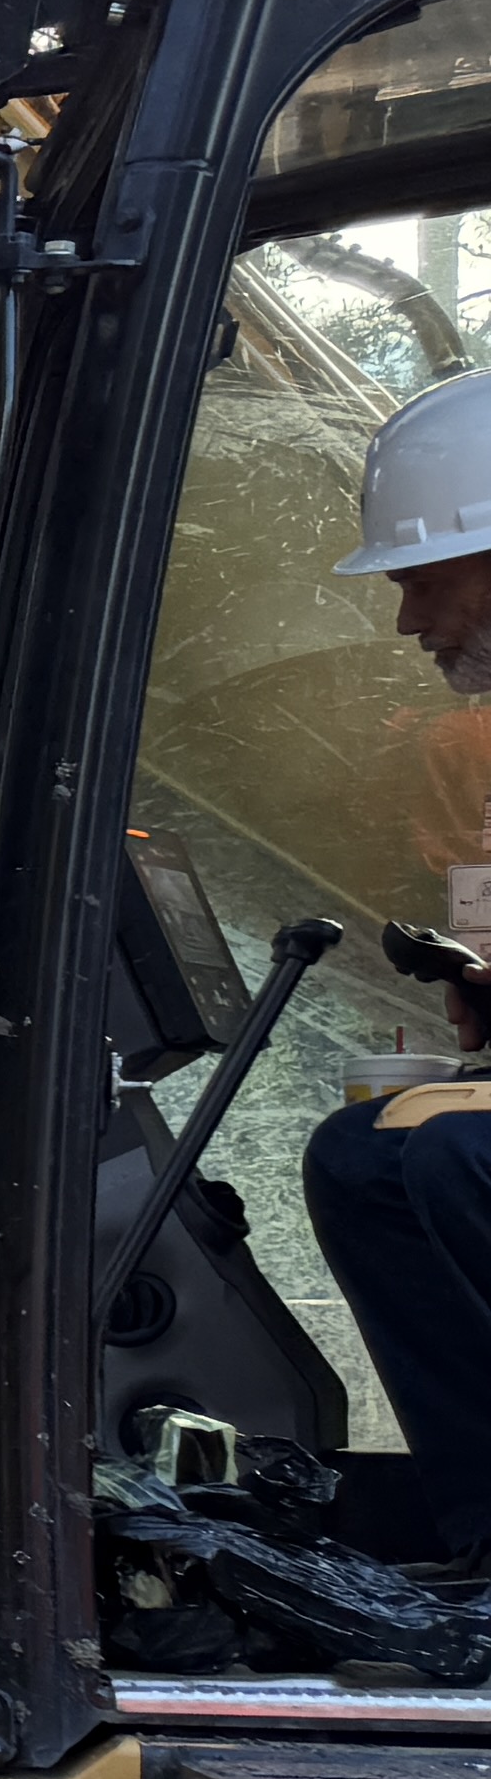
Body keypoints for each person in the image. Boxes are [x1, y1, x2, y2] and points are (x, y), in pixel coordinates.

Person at [298, 362, 491, 1552]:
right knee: (361, 1161)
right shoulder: (471, 754)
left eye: (424, 579)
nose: (409, 620)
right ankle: (481, 1537)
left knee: (456, 1161)